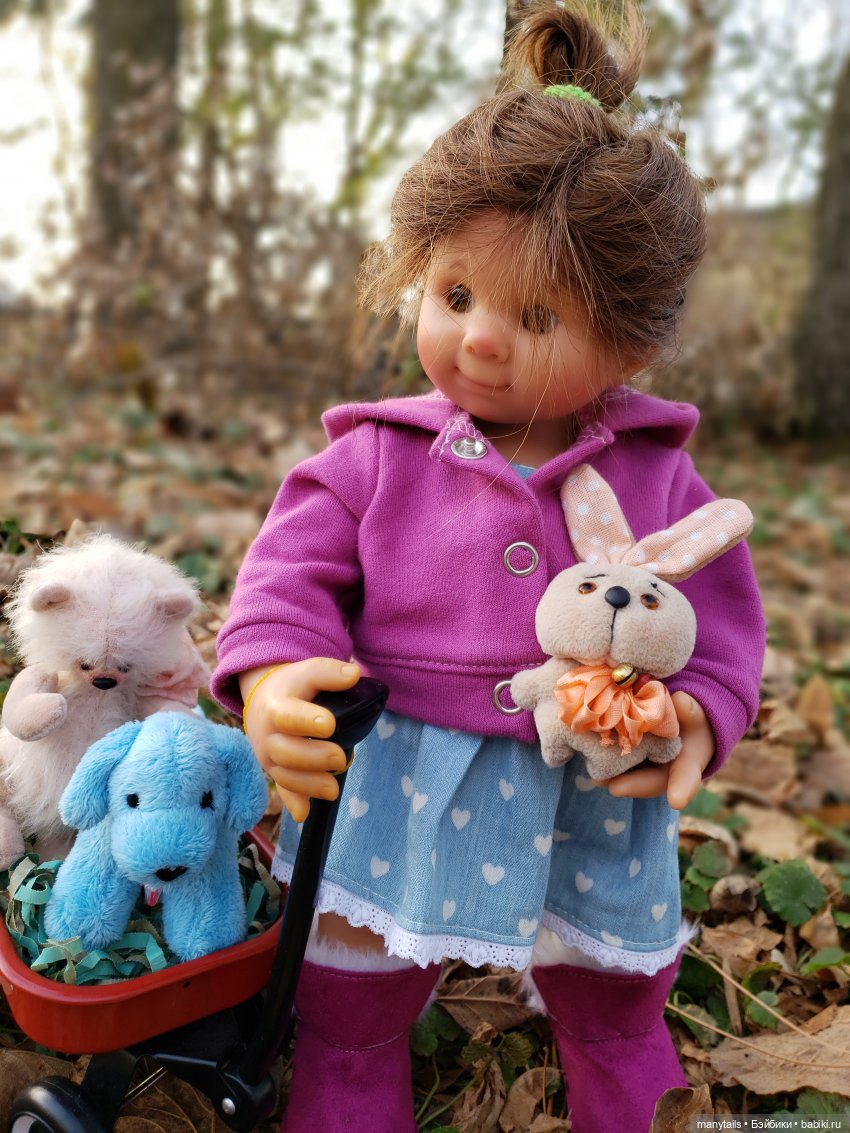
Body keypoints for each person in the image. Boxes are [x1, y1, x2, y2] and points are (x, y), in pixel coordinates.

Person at [212, 3, 765, 1130]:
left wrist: (699, 715)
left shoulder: (658, 473)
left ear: (633, 338)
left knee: (602, 969)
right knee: (355, 971)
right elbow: (287, 577)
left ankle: (613, 1043)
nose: (479, 338)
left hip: (591, 783)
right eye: (454, 295)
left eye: (539, 315)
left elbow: (718, 616)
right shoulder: (377, 452)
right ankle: (355, 1059)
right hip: (403, 771)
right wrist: (274, 680)